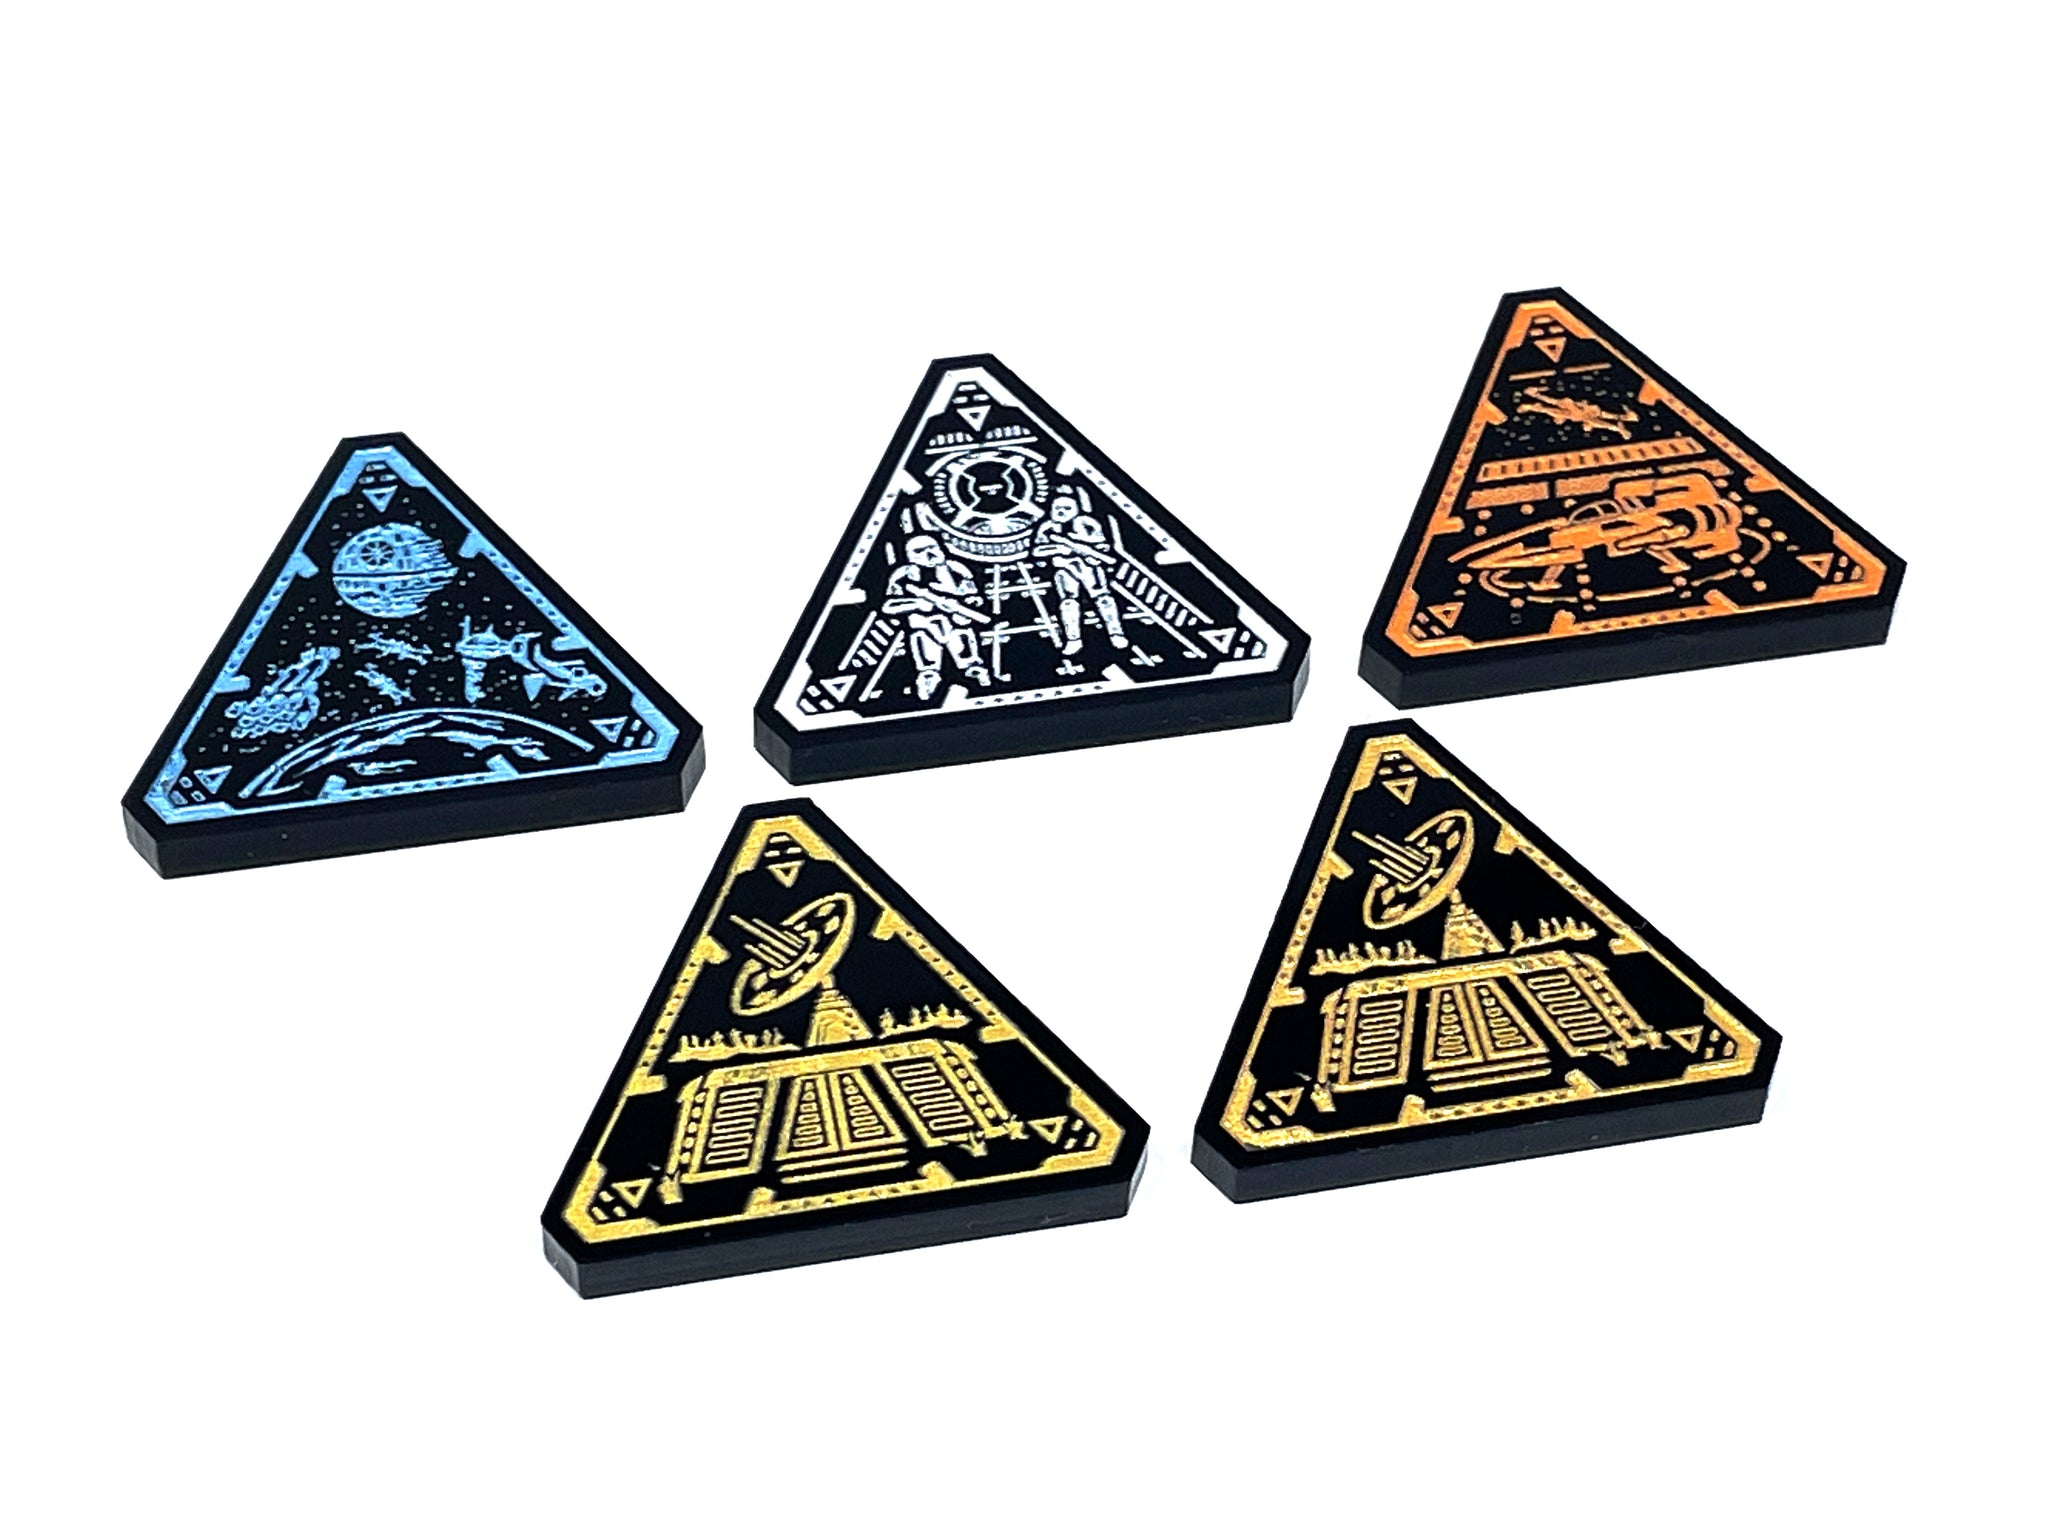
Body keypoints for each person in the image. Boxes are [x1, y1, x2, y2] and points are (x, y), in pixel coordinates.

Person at [882, 534, 993, 699]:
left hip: (957, 626)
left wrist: (963, 603)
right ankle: (927, 690)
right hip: (924, 628)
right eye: (919, 551)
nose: (928, 554)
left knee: (972, 666)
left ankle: (981, 683)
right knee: (928, 671)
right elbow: (888, 607)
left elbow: (975, 598)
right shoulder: (902, 575)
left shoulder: (957, 569)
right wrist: (916, 604)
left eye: (932, 548)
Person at [1032, 485, 1127, 656]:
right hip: (1064, 568)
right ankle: (1073, 640)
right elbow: (1037, 551)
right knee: (1068, 603)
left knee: (1103, 598)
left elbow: (1103, 546)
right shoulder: (1047, 527)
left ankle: (1116, 634)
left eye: (1067, 508)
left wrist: (1078, 544)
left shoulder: (1088, 523)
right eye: (1057, 508)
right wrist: (1059, 549)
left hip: (1089, 568)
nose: (1061, 512)